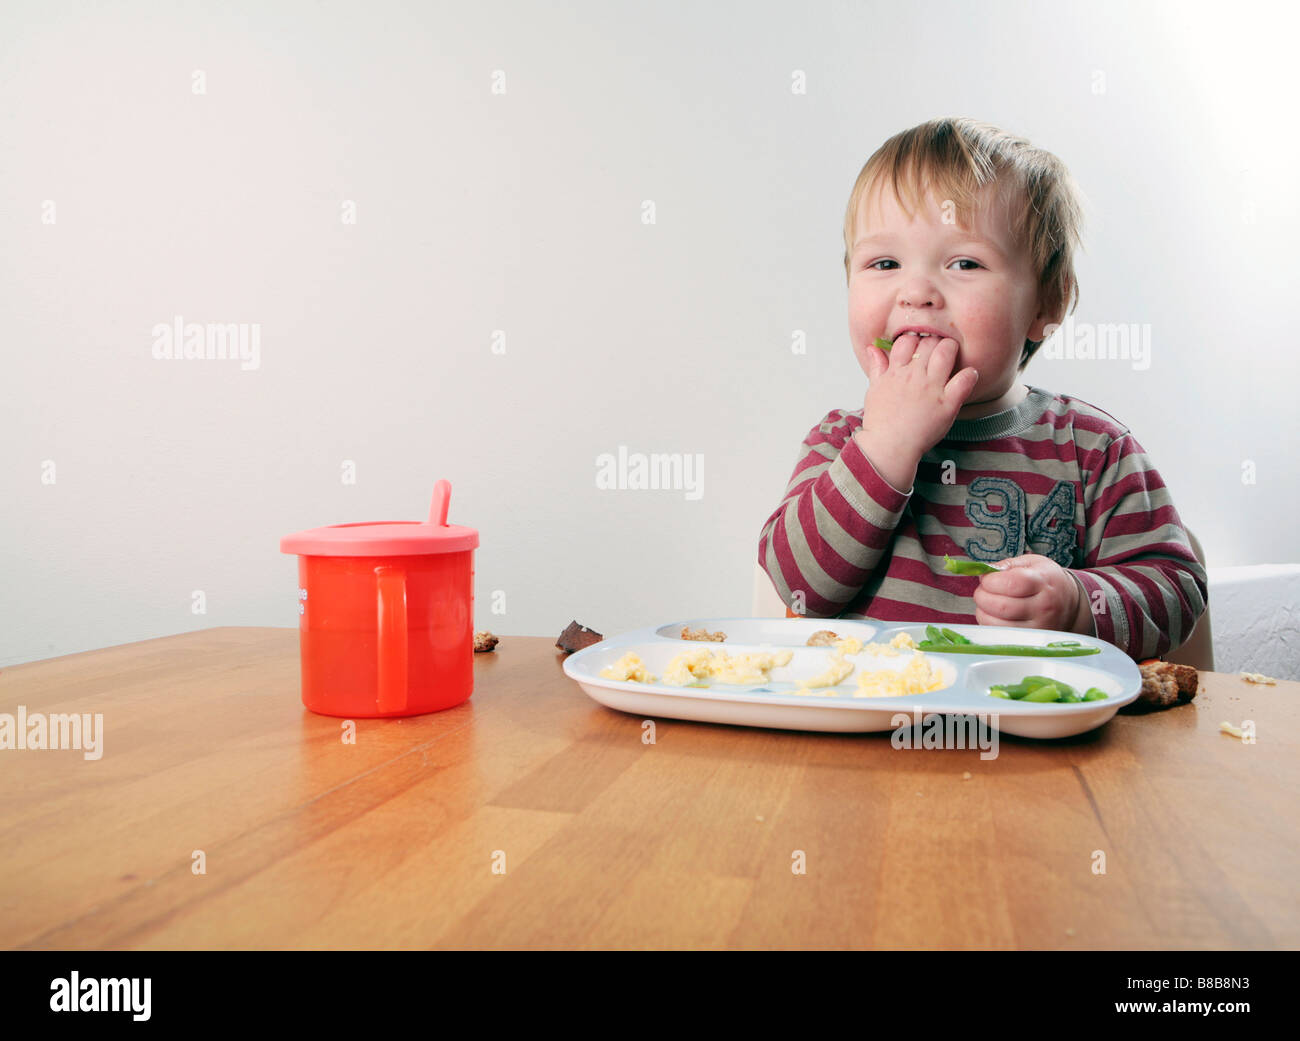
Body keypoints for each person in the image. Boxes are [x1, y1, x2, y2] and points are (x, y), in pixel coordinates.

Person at [757, 117, 1206, 662]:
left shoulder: (1096, 451)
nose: (917, 291)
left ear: (1047, 304)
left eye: (964, 263)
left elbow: (1177, 586)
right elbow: (799, 588)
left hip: (1036, 740)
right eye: (884, 262)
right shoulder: (841, 440)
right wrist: (886, 444)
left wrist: (1078, 606)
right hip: (869, 737)